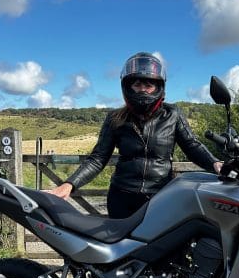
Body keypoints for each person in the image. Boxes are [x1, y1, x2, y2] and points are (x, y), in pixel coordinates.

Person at [49, 52, 222, 218]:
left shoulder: (172, 114)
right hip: (122, 198)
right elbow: (98, 158)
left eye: (148, 85)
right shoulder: (115, 118)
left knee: (163, 246)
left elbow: (192, 145)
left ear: (158, 87)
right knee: (122, 247)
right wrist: (69, 184)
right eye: (137, 85)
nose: (143, 90)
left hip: (161, 197)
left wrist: (215, 163)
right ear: (128, 86)